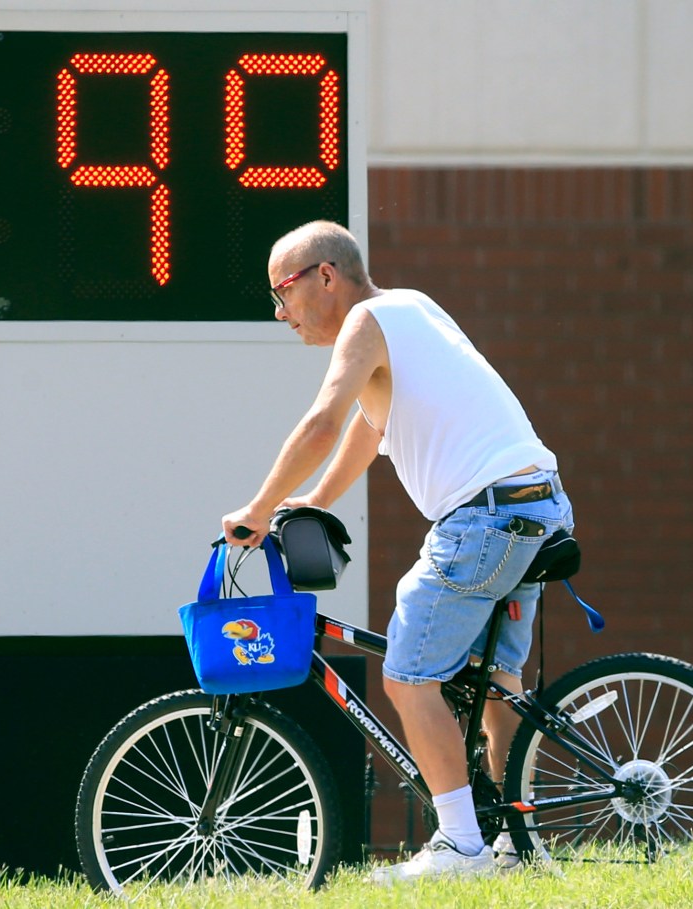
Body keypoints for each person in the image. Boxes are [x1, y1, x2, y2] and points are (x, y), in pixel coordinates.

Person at [222, 220, 574, 882]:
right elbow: (367, 427)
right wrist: (316, 500)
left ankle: (461, 845)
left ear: (326, 276)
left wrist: (260, 507)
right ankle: (513, 843)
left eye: (282, 291)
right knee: (493, 677)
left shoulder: (365, 323)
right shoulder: (412, 308)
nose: (279, 312)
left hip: (485, 518)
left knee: (408, 677)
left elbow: (323, 422)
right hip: (537, 504)